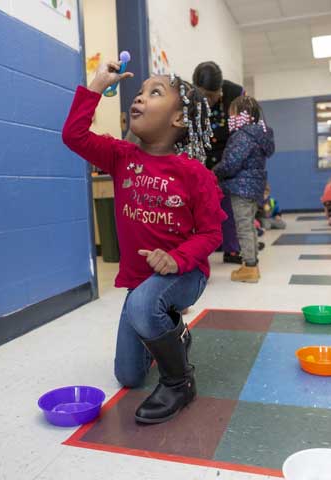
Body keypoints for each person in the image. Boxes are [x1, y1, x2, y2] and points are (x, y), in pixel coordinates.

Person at [62, 61, 225, 424]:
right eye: (139, 92)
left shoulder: (194, 174)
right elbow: (73, 136)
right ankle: (174, 331)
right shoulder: (121, 158)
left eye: (155, 93)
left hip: (185, 273)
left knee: (142, 306)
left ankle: (179, 382)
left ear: (179, 120)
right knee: (129, 375)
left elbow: (211, 234)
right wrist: (95, 88)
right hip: (140, 283)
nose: (139, 98)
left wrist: (176, 258)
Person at [213, 96, 274, 283]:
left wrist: (214, 172)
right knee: (250, 225)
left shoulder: (242, 135)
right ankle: (252, 263)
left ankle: (250, 267)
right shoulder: (260, 134)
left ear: (241, 115)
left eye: (232, 113)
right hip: (255, 187)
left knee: (244, 227)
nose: (229, 117)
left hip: (242, 187)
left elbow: (231, 163)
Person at [193, 61, 244, 264]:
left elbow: (241, 135)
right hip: (202, 155)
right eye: (202, 95)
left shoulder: (235, 95)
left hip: (229, 156)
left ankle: (232, 249)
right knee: (201, 206)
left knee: (228, 204)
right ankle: (200, 248)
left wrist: (227, 164)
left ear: (220, 90)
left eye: (211, 96)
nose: (207, 101)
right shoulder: (190, 98)